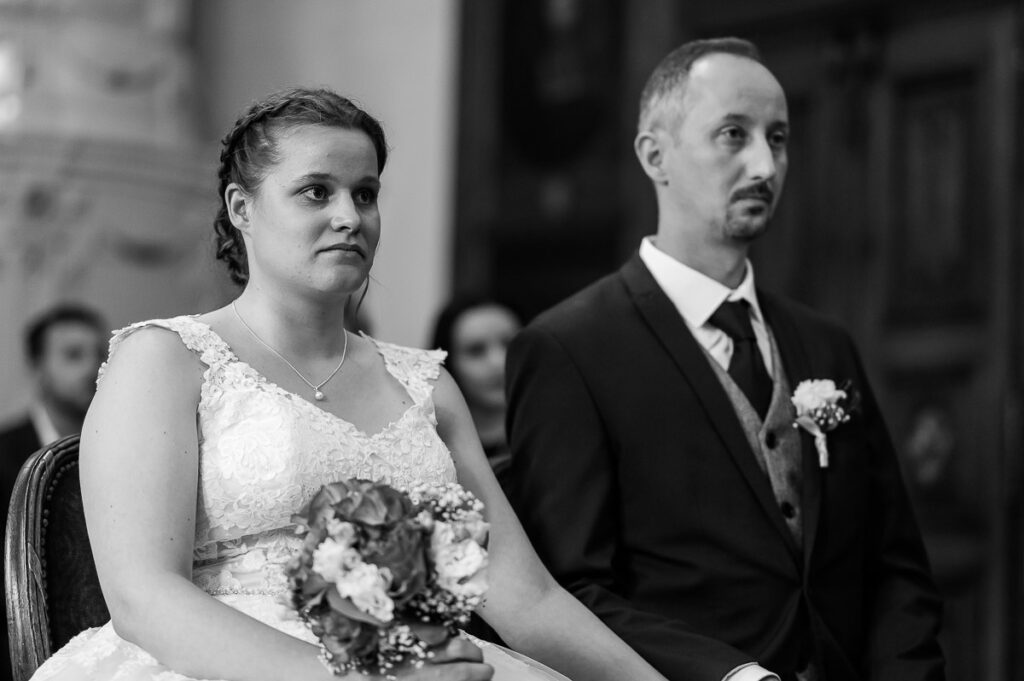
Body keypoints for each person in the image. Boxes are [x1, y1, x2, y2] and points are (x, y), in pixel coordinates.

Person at [29, 88, 668, 681]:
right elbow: (145, 599)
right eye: (315, 191)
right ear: (241, 208)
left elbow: (523, 596)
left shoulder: (425, 384)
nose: (349, 217)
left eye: (365, 194)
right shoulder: (166, 359)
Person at [505, 38, 945, 681]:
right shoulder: (569, 350)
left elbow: (894, 563)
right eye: (734, 135)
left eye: (780, 137)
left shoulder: (826, 343)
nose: (765, 165)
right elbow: (572, 590)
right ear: (655, 155)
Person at [0, 304, 105, 681]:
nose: (93, 368)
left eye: (101, 355)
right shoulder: (4, 456)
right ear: (38, 366)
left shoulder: (119, 449)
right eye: (73, 355)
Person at [430, 297, 522, 482]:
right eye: (476, 350)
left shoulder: (553, 434)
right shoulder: (430, 447)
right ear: (447, 363)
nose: (498, 362)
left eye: (510, 344)